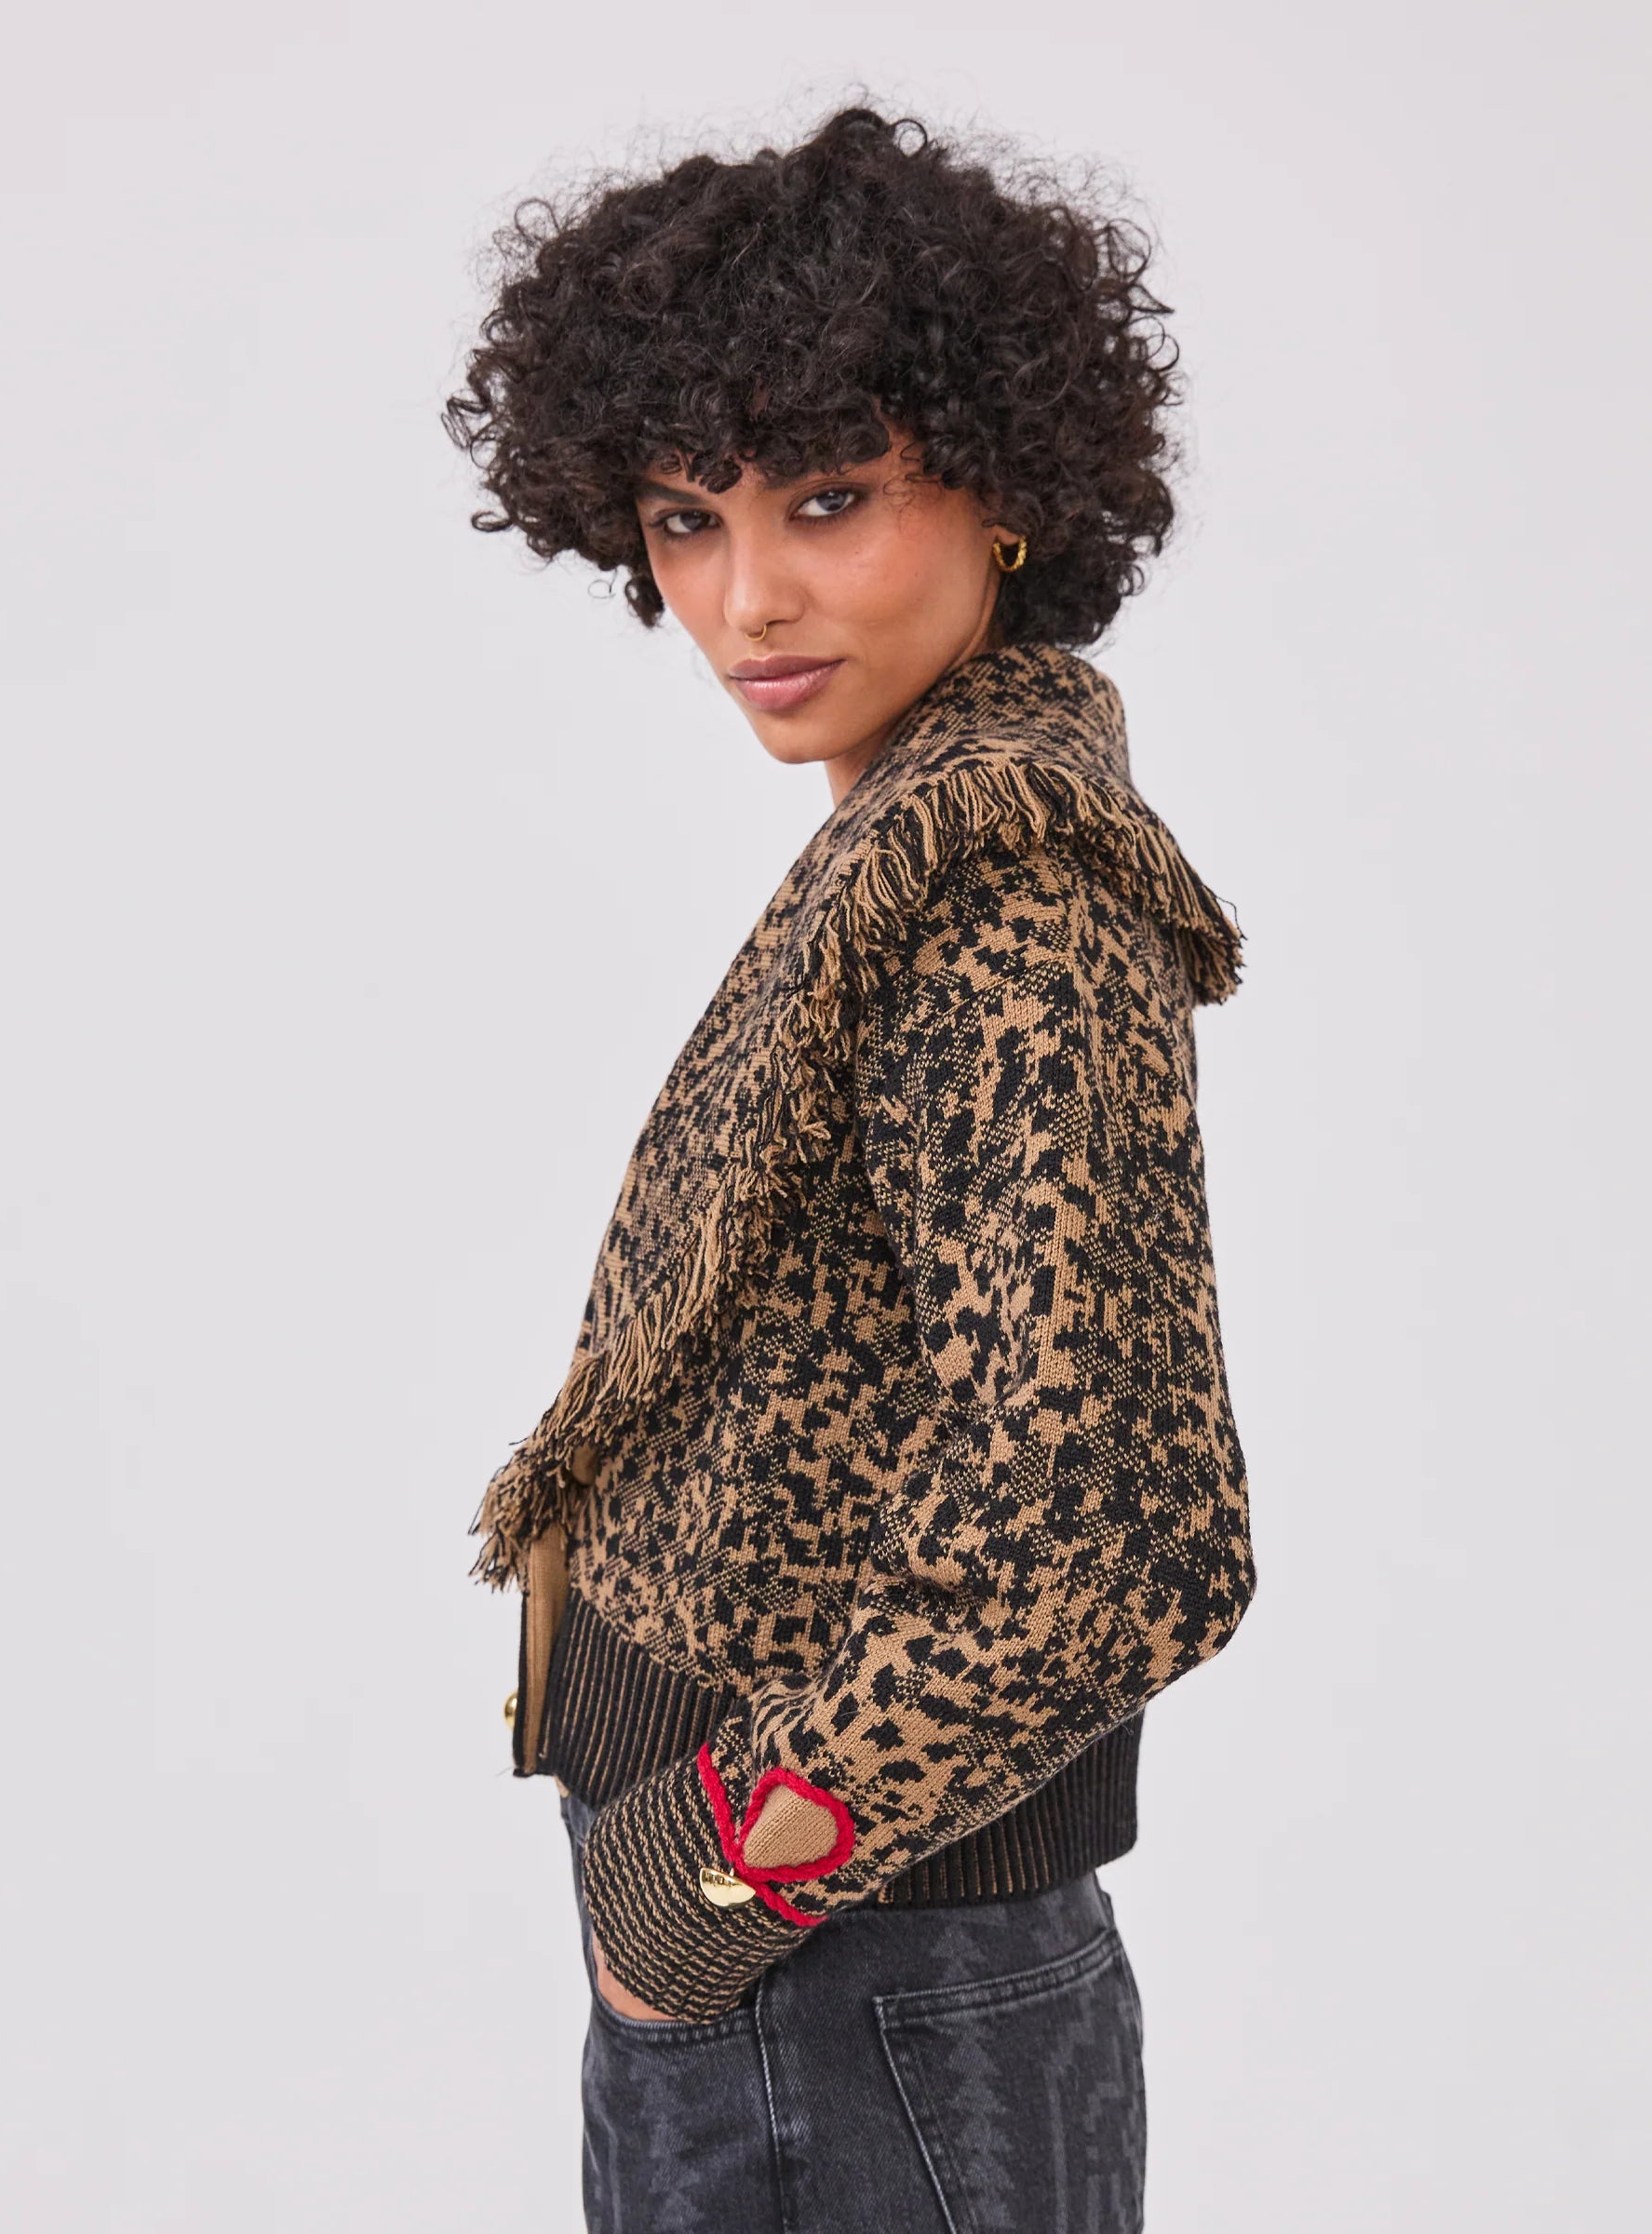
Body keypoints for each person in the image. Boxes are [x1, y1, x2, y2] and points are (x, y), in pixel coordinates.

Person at [444, 103, 1255, 2234]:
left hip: (852, 1975)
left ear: (1009, 487)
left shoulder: (1012, 904)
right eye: (685, 520)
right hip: (819, 1971)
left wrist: (705, 1886)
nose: (749, 598)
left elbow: (1112, 1543)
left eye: (827, 499)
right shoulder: (914, 849)